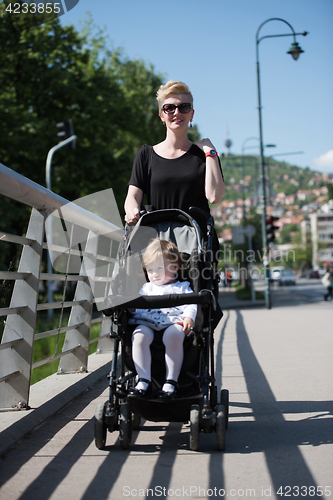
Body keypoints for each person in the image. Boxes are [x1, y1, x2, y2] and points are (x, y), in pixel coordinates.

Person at [124, 79, 224, 255]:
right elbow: (132, 196)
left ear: (192, 114)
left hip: (196, 249)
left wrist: (211, 152)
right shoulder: (146, 155)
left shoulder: (204, 156)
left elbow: (214, 196)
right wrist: (132, 211)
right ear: (162, 116)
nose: (177, 112)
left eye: (184, 107)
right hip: (156, 248)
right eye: (169, 108)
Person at [128, 239, 197, 400]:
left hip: (174, 322)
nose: (154, 274)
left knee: (173, 336)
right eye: (150, 270)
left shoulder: (182, 287)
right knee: (138, 336)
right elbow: (138, 308)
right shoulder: (146, 288)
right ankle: (143, 379)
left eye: (159, 268)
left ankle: (171, 381)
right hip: (147, 323)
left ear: (175, 267)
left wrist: (188, 317)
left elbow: (191, 304)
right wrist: (132, 308)